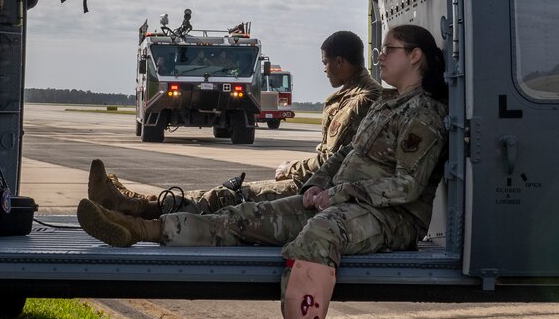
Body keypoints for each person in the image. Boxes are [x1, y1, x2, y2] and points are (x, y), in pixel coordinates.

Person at [78, 23, 450, 319]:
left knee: (317, 237)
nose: (381, 56)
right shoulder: (385, 104)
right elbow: (345, 158)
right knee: (245, 215)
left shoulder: (424, 112)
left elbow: (407, 186)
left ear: (415, 56)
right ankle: (141, 229)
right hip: (341, 200)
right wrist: (318, 185)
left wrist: (337, 194)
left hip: (390, 217)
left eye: (389, 49)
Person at [84, 30, 380, 218]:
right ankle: (138, 205)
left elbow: (334, 161)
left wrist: (291, 168)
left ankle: (139, 211)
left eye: (326, 63)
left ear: (341, 62)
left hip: (321, 192)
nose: (325, 70)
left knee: (234, 198)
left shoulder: (362, 100)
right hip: (318, 187)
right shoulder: (355, 95)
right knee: (232, 194)